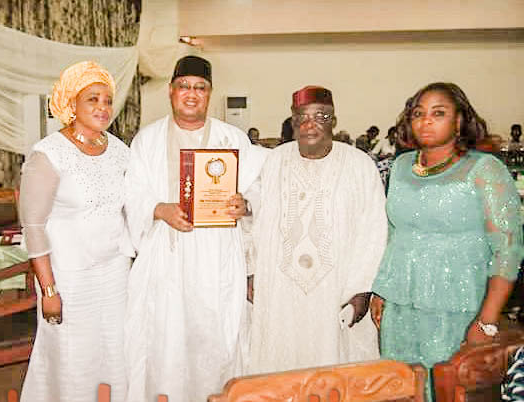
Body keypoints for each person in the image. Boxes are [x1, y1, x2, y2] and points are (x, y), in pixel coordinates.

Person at [370, 82, 524, 401]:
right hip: (400, 305)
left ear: (459, 121)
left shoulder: (485, 169)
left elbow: (508, 250)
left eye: (438, 113)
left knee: (449, 389)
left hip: (458, 305)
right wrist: (381, 290)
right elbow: (395, 232)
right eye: (418, 113)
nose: (426, 120)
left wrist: (487, 321)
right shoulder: (401, 167)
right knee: (402, 387)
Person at [124, 55, 263, 401]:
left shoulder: (232, 139)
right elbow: (132, 194)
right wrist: (160, 209)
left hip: (218, 257)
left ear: (209, 94)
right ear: (171, 91)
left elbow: (258, 187)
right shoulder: (147, 140)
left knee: (216, 342)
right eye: (184, 86)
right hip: (166, 255)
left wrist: (245, 203)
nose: (191, 94)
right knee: (166, 342)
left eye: (200, 88)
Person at [248, 86, 386, 374]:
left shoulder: (360, 165)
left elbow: (373, 230)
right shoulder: (275, 160)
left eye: (320, 116)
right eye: (302, 117)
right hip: (280, 289)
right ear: (293, 121)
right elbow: (255, 217)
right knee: (280, 363)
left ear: (333, 120)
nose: (310, 124)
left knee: (334, 368)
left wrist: (363, 287)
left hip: (337, 289)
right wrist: (251, 270)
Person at [18, 61, 132, 402]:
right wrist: (48, 290)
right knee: (72, 358)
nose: (102, 108)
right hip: (68, 277)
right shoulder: (49, 153)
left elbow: (134, 206)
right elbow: (33, 226)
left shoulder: (120, 151)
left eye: (107, 100)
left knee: (115, 351)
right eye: (92, 99)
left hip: (114, 273)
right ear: (72, 103)